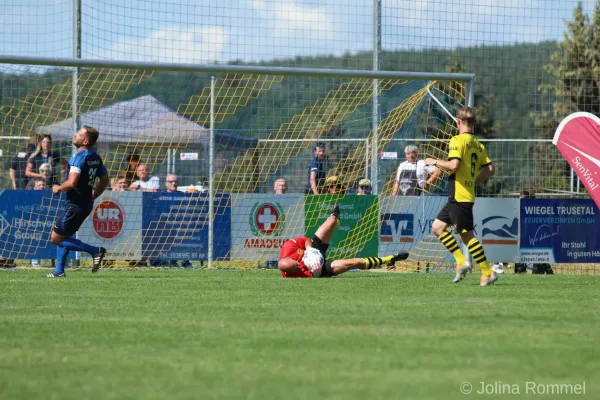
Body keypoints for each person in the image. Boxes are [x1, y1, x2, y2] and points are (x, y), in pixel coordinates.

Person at [423, 107, 496, 286]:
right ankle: (462, 262)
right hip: (461, 195)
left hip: (459, 194)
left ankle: (487, 271)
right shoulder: (478, 144)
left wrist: (434, 162)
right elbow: (490, 169)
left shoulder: (457, 140)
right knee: (437, 227)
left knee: (467, 237)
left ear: (458, 122)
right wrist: (475, 180)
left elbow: (454, 165)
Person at [278, 205, 409, 278]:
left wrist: (311, 251)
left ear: (289, 258)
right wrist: (316, 270)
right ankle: (390, 258)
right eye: (297, 268)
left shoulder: (288, 246)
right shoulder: (292, 276)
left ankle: (335, 217)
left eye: (296, 264)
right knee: (354, 262)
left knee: (332, 221)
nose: (299, 265)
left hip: (314, 249)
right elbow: (314, 276)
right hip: (321, 268)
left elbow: (306, 240)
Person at [47, 126, 109, 278]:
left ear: (86, 141)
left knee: (55, 238)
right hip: (85, 204)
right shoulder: (95, 157)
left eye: (79, 134)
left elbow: (72, 183)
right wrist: (93, 195)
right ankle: (59, 271)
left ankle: (95, 251)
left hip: (75, 205)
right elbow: (105, 180)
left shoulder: (78, 157)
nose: (75, 134)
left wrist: (58, 188)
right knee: (64, 235)